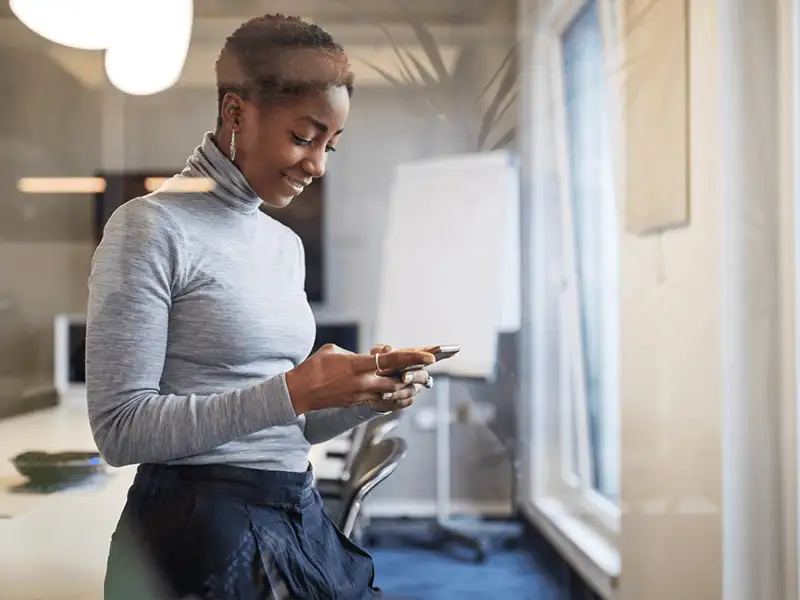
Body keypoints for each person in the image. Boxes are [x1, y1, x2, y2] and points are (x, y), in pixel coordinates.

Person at [86, 14, 435, 600]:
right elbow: (120, 432)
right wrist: (297, 388)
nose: (318, 164)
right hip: (197, 527)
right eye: (304, 136)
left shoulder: (283, 244)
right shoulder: (149, 228)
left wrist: (356, 399)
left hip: (292, 510)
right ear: (235, 114)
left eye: (330, 144)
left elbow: (279, 426)